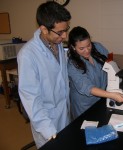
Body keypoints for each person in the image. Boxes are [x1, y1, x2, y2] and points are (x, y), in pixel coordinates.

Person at [17, 2, 71, 148]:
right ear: (44, 29)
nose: (65, 36)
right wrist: (48, 130)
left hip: (63, 113)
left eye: (66, 30)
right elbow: (30, 98)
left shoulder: (58, 45)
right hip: (46, 120)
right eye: (60, 32)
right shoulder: (28, 55)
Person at [67, 26, 123, 120]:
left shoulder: (98, 47)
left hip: (102, 97)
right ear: (73, 47)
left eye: (88, 45)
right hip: (84, 105)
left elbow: (111, 63)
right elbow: (88, 88)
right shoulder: (72, 65)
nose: (87, 50)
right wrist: (112, 95)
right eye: (81, 48)